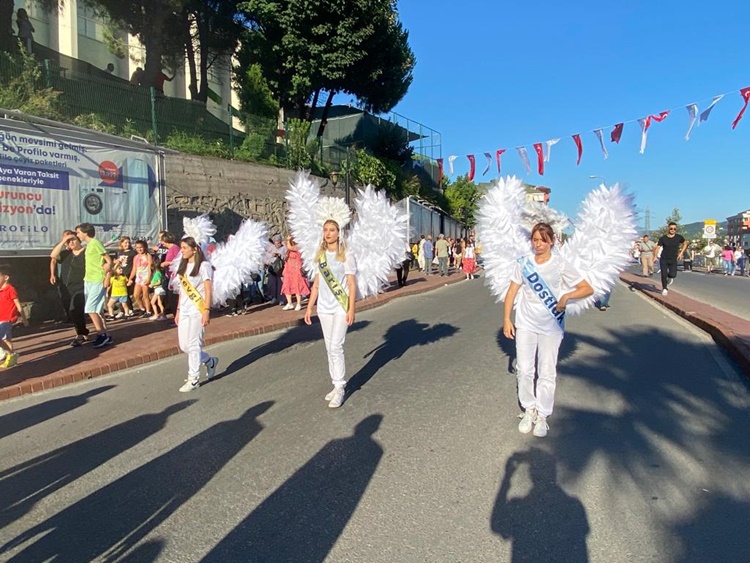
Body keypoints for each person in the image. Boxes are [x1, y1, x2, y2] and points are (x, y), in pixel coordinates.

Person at [503, 223, 593, 438]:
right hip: (525, 322)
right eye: (535, 240)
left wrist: (566, 297)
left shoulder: (560, 264)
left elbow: (587, 288)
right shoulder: (524, 263)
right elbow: (512, 291)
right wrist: (506, 319)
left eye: (543, 240)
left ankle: (543, 414)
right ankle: (529, 409)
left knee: (546, 370)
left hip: (551, 325)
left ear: (551, 241)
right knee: (524, 369)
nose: (538, 244)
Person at [304, 219, 357, 409]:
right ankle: (335, 385)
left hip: (340, 306)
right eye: (325, 230)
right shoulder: (321, 255)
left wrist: (351, 308)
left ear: (338, 232)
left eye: (332, 230)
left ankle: (341, 387)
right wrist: (309, 307)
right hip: (324, 308)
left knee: (336, 346)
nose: (328, 233)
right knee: (329, 347)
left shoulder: (346, 255)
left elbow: (351, 284)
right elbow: (317, 284)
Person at [175, 236, 218, 392]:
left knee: (194, 345)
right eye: (181, 247)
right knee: (184, 346)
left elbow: (208, 289)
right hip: (184, 310)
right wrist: (178, 310)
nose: (182, 251)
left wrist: (206, 311)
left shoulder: (204, 266)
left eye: (184, 248)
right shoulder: (183, 265)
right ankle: (209, 361)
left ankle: (193, 379)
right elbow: (182, 290)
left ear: (194, 249)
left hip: (197, 310)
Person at [75, 223, 113, 348]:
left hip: (97, 279)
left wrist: (107, 277)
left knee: (90, 308)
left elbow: (109, 261)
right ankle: (106, 335)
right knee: (97, 309)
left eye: (79, 232)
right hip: (88, 280)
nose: (77, 235)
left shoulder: (96, 243)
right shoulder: (89, 245)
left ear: (85, 232)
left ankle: (101, 334)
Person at [50, 232, 89, 345]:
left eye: (73, 240)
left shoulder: (86, 252)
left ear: (79, 240)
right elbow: (53, 256)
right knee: (71, 311)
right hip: (66, 287)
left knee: (75, 309)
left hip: (81, 286)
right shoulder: (65, 254)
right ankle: (83, 332)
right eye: (68, 241)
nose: (71, 242)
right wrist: (63, 241)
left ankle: (81, 334)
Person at [0, 264, 29, 368]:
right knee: (5, 339)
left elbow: (18, 304)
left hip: (7, 319)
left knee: (5, 339)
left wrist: (24, 318)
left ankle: (11, 356)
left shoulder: (10, 289)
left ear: (6, 277)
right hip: (0, 318)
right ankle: (11, 355)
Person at [654, 222, 687, 296]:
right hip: (664, 258)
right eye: (671, 228)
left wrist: (681, 252)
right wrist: (655, 256)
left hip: (673, 259)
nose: (673, 230)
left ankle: (670, 277)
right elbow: (658, 247)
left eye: (674, 229)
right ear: (668, 228)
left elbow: (685, 243)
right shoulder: (663, 238)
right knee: (663, 274)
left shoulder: (679, 237)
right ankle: (664, 288)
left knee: (673, 274)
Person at [280, 236, 309, 311]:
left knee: (297, 287)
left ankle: (299, 303)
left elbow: (290, 247)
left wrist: (288, 240)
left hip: (296, 270)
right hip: (288, 270)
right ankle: (289, 303)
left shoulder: (298, 247)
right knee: (287, 286)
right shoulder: (289, 250)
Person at [128, 240, 153, 316]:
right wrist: (130, 278)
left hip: (145, 277)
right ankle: (142, 308)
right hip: (138, 278)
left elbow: (150, 268)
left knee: (145, 295)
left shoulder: (148, 256)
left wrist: (149, 278)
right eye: (137, 247)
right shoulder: (136, 257)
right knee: (136, 295)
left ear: (144, 247)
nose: (139, 249)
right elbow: (134, 269)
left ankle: (148, 311)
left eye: (141, 247)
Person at [264, 234, 286, 305]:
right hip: (272, 268)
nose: (277, 244)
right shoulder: (271, 247)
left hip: (280, 268)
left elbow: (286, 256)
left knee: (281, 284)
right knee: (272, 284)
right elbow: (266, 256)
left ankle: (282, 299)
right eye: (276, 243)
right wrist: (271, 256)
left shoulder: (284, 248)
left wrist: (280, 255)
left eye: (278, 243)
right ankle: (274, 297)